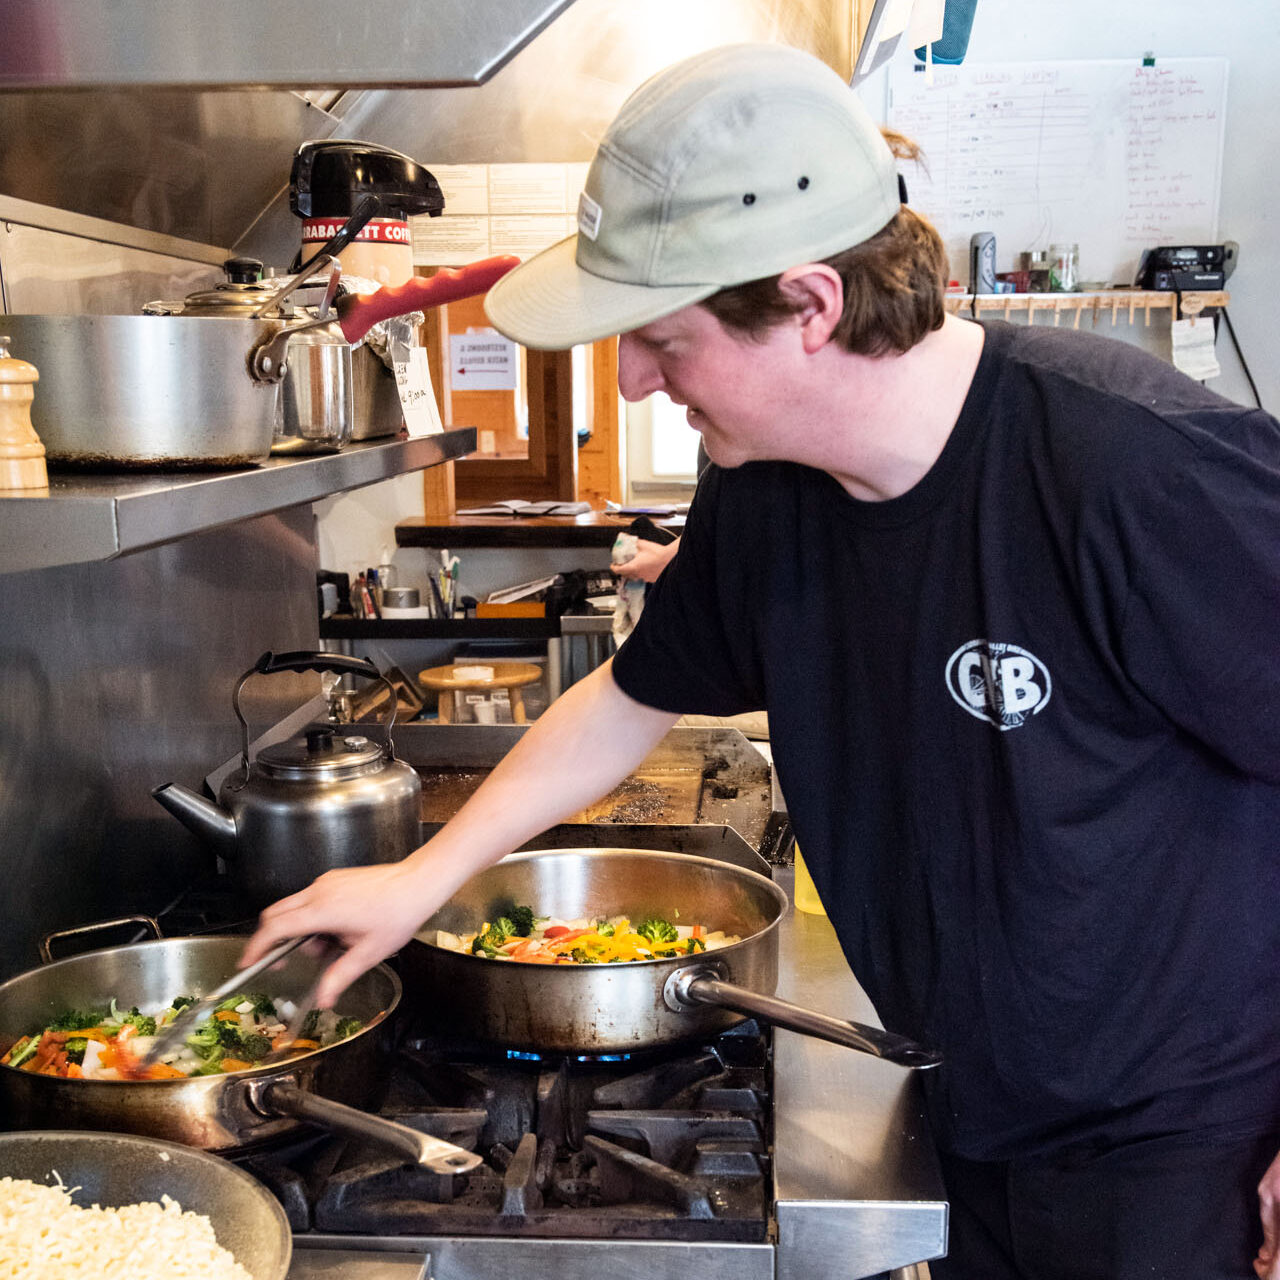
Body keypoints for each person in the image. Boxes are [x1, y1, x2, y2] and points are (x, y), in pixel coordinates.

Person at [242, 43, 1280, 1279]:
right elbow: (630, 695)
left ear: (808, 306)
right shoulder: (764, 485)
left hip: (1176, 1143)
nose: (629, 375)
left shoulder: (1134, 470)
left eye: (658, 338)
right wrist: (419, 878)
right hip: (959, 1098)